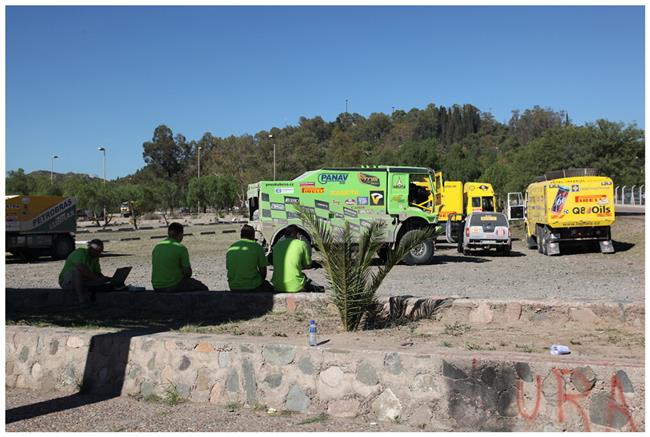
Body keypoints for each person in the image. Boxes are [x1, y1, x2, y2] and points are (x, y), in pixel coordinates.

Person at [151, 222, 209, 292]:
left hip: (156, 286)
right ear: (180, 234)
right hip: (172, 285)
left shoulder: (157, 246)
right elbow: (187, 273)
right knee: (203, 288)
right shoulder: (180, 248)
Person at [270, 225, 324, 293]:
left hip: (277, 286)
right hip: (296, 286)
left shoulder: (276, 246)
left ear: (285, 235)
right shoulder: (302, 244)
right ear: (295, 234)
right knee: (304, 278)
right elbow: (308, 265)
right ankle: (320, 289)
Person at [58, 239, 111, 304]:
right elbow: (80, 267)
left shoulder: (95, 258)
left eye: (101, 251)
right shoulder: (80, 252)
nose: (99, 254)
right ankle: (81, 300)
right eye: (98, 251)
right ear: (91, 249)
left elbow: (97, 273)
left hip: (84, 280)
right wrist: (96, 278)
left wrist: (105, 279)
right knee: (77, 271)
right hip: (66, 282)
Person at [226, 224, 272, 292]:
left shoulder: (231, 247)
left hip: (233, 286)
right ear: (253, 235)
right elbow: (263, 271)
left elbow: (229, 268)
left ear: (241, 235)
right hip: (252, 286)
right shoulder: (257, 247)